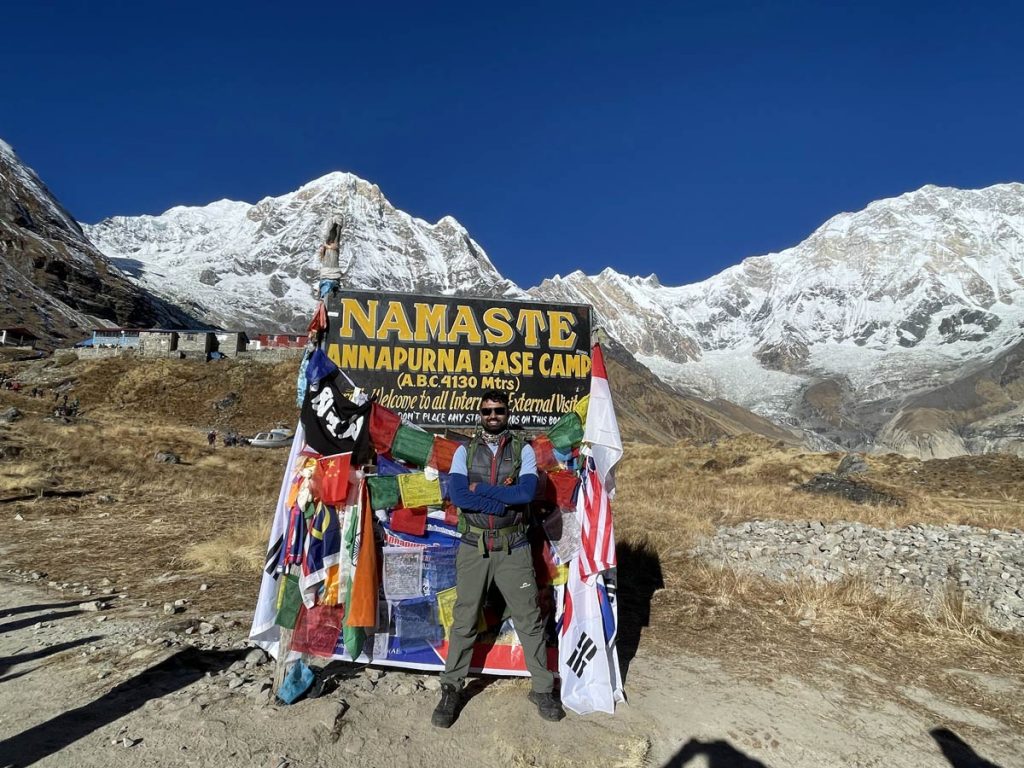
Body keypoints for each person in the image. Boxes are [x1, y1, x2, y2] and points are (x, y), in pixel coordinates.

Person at [431, 390, 564, 728]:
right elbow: (460, 496)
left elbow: (525, 494)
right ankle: (451, 688)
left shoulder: (524, 451)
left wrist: (483, 493)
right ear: (480, 414)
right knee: (464, 618)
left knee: (529, 618)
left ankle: (543, 689)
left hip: (514, 547)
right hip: (474, 546)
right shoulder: (465, 450)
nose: (493, 415)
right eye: (487, 410)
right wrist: (500, 504)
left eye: (499, 410)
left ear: (507, 412)